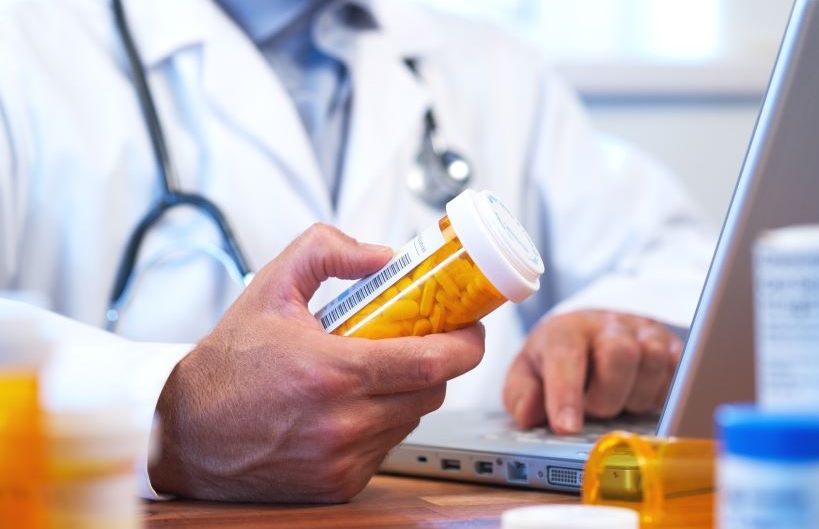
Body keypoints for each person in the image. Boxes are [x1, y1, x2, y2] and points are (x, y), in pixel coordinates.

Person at [0, 0, 715, 503]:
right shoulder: (24, 48)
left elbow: (675, 256)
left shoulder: (492, 66)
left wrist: (617, 322)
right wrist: (168, 419)